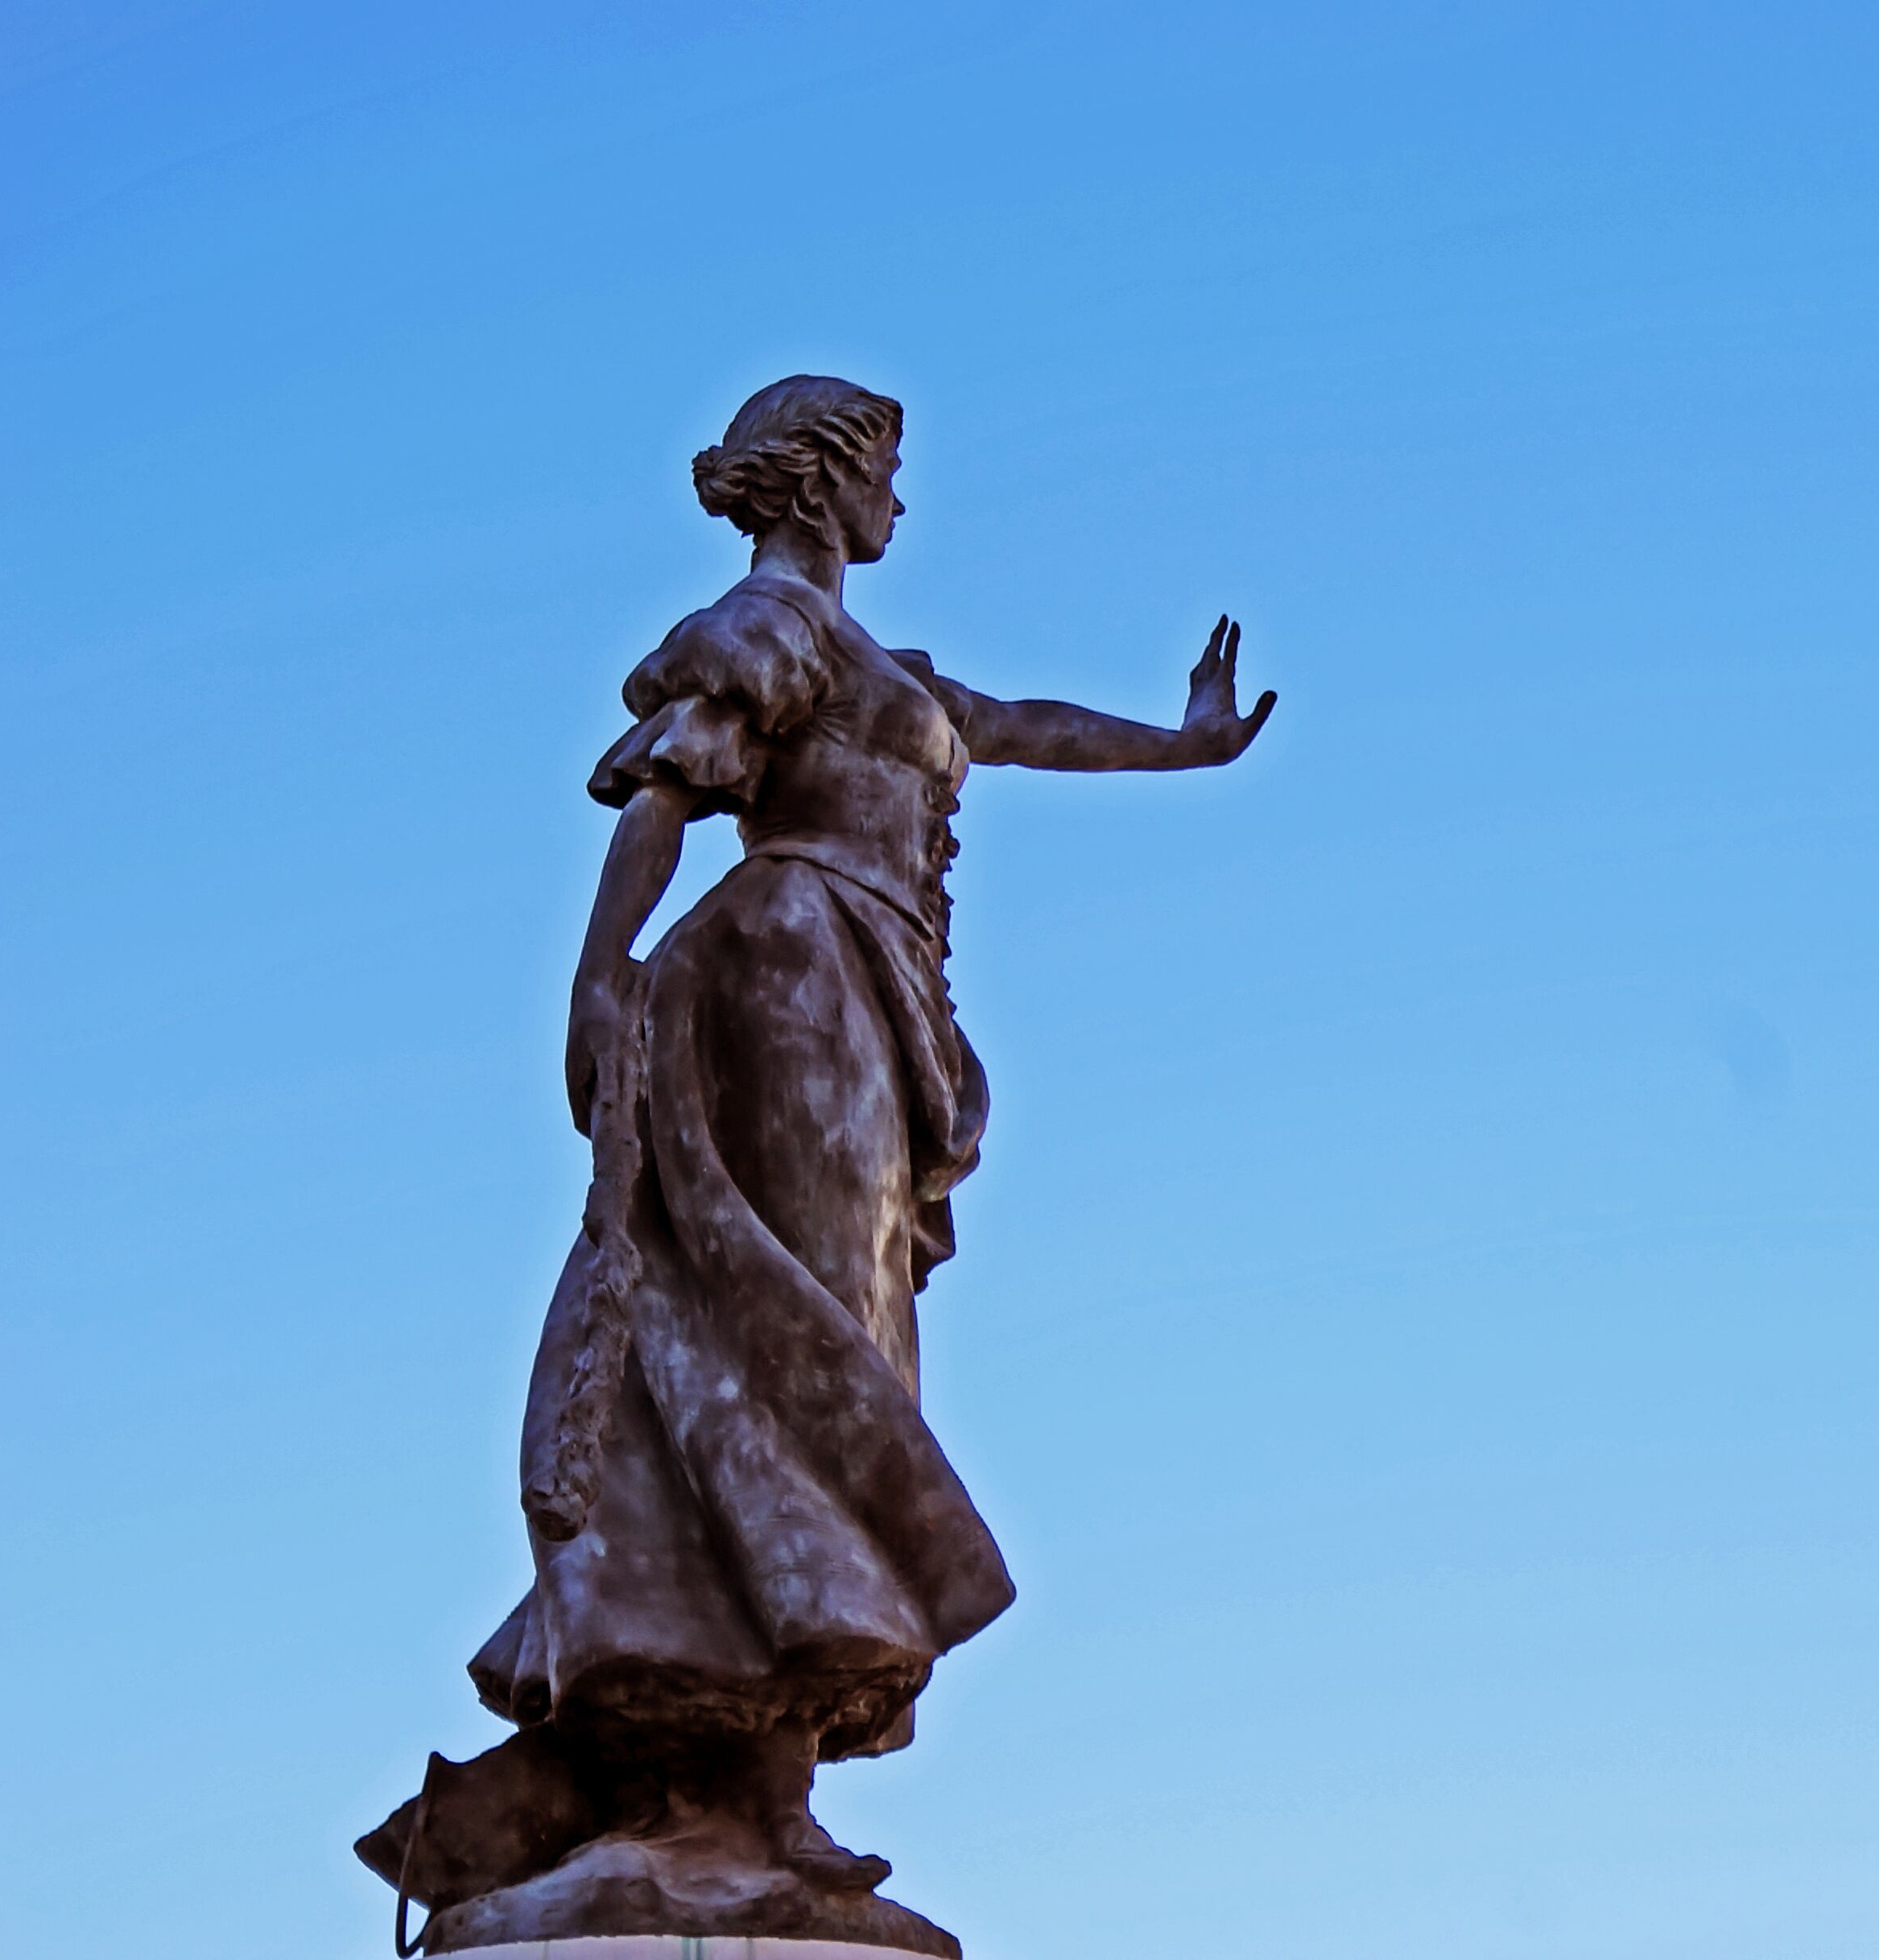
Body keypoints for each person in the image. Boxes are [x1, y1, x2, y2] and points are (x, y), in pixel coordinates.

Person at [361, 375, 1274, 1950]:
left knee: (840, 1348)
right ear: (822, 482)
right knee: (779, 1338)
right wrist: (598, 974)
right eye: (886, 472)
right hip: (784, 972)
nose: (900, 504)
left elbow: (1012, 728)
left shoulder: (879, 667)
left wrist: (1184, 748)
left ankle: (767, 1782)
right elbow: (670, 786)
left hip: (869, 995)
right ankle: (689, 1766)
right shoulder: (769, 625)